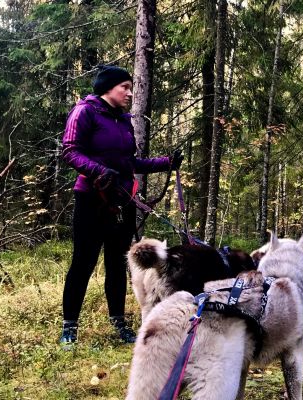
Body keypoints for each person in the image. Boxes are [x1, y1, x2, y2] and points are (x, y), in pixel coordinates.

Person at [59, 65, 184, 345]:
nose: (129, 92)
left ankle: (119, 323)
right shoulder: (85, 111)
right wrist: (99, 171)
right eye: (124, 87)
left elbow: (131, 163)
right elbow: (70, 151)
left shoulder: (123, 120)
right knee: (83, 262)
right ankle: (69, 328)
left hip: (121, 201)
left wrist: (166, 163)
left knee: (118, 264)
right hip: (92, 199)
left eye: (131, 87)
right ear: (108, 88)